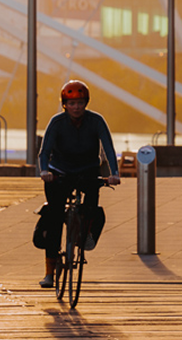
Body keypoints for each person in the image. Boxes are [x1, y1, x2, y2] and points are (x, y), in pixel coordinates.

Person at [37, 80, 121, 288]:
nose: (76, 107)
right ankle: (49, 271)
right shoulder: (57, 123)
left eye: (80, 103)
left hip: (88, 170)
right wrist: (45, 171)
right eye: (72, 103)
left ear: (86, 103)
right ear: (65, 104)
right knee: (55, 217)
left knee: (91, 206)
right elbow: (44, 151)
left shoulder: (96, 121)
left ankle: (85, 235)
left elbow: (108, 148)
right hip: (59, 172)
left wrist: (114, 173)